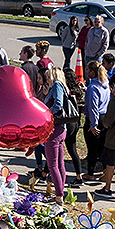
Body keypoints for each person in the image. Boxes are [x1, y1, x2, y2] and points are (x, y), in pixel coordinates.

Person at [41, 65, 69, 204]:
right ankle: (61, 192)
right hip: (61, 129)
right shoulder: (62, 87)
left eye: (48, 76)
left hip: (55, 129)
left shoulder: (57, 85)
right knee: (59, 163)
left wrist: (47, 115)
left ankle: (59, 195)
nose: (46, 79)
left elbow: (58, 104)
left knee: (52, 165)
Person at [83, 61, 110, 180]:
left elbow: (93, 108)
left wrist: (93, 125)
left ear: (93, 72)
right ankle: (105, 171)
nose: (86, 72)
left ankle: (90, 173)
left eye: (88, 70)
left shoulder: (93, 87)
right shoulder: (105, 85)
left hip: (95, 119)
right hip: (104, 118)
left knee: (92, 148)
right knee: (102, 147)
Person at [62, 66, 86, 186]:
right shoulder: (78, 91)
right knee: (72, 149)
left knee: (57, 147)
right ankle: (79, 176)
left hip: (67, 121)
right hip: (76, 122)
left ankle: (45, 173)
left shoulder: (65, 90)